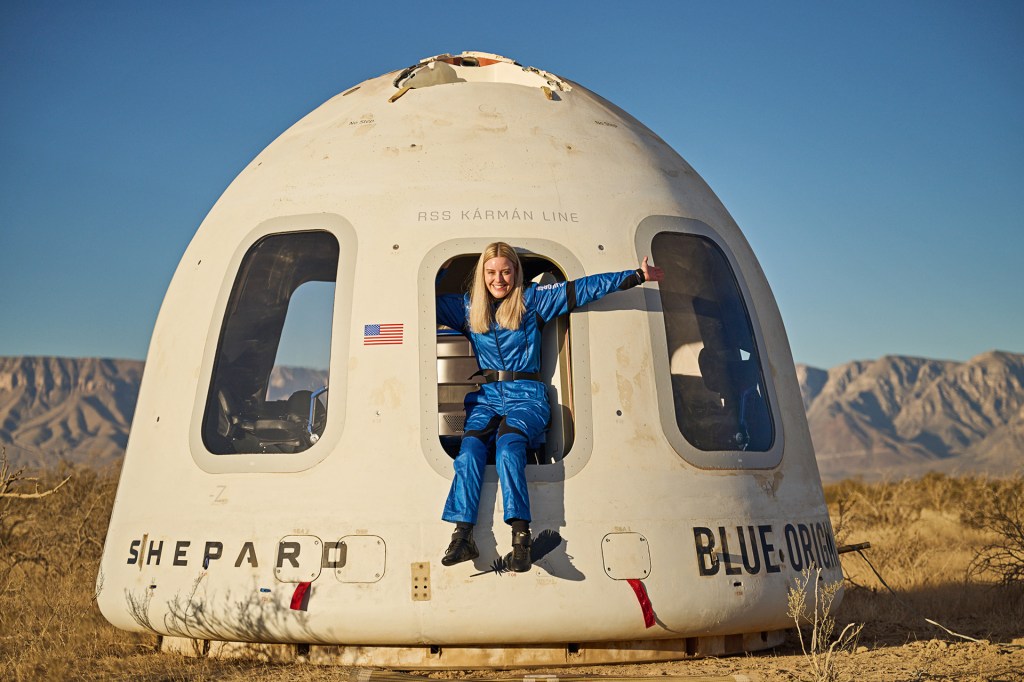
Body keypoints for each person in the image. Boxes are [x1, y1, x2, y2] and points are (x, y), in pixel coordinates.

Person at [435, 242, 665, 572]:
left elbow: (583, 289)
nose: (498, 279)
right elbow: (417, 302)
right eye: (491, 272)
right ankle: (463, 535)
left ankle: (520, 538)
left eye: (505, 271)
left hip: (526, 394)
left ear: (515, 272)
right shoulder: (468, 307)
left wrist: (635, 276)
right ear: (481, 276)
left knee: (508, 448)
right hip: (487, 396)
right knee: (469, 452)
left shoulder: (533, 300)